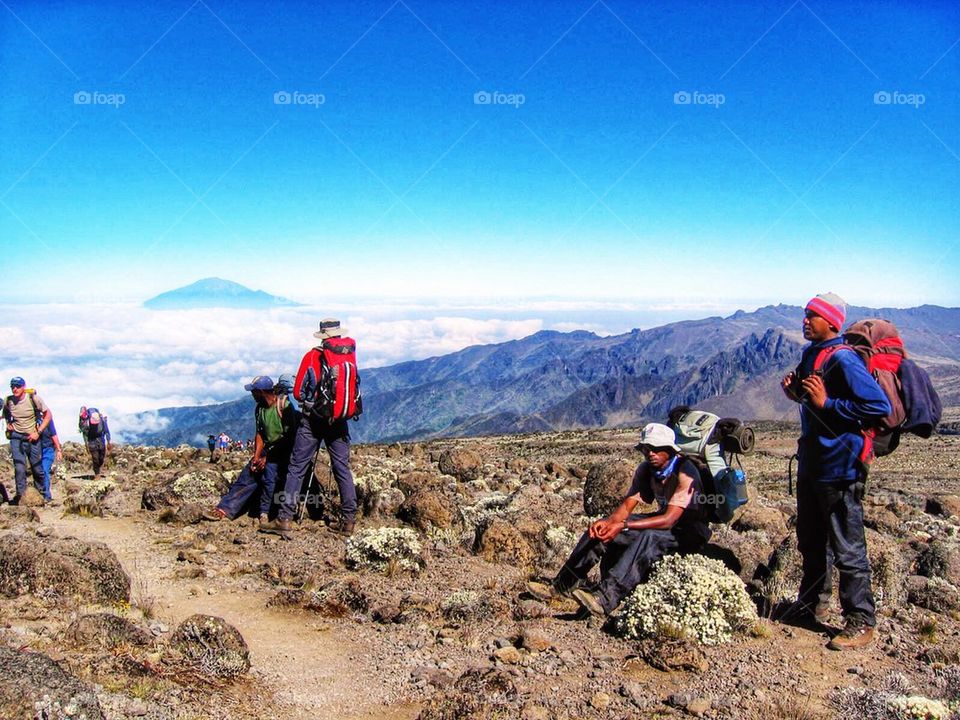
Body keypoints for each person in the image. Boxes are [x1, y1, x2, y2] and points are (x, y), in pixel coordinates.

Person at [780, 292, 891, 651]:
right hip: (814, 461)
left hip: (841, 466)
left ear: (832, 322)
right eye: (805, 314)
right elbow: (815, 406)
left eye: (812, 316)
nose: (805, 321)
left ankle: (861, 620)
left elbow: (877, 405)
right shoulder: (812, 353)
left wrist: (828, 403)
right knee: (811, 538)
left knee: (847, 544)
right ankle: (811, 603)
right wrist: (798, 396)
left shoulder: (844, 358)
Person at [526, 423, 711, 617]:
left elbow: (669, 520)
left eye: (656, 449)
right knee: (604, 529)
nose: (650, 453)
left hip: (688, 531)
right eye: (647, 449)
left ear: (670, 450)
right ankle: (562, 585)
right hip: (665, 523)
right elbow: (627, 505)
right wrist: (609, 523)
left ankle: (605, 598)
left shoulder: (686, 472)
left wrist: (623, 525)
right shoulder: (646, 470)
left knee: (650, 537)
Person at [261, 319, 358, 538]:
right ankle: (348, 521)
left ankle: (284, 518)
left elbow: (297, 392)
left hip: (313, 421)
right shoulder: (349, 355)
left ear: (322, 335)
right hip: (339, 420)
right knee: (342, 468)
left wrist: (310, 403)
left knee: (297, 467)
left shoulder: (312, 356)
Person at [202, 376, 298, 524]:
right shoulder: (260, 408)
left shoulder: (284, 406)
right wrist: (257, 456)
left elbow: (289, 437)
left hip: (285, 450)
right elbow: (260, 433)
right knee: (249, 473)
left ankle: (265, 512)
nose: (252, 395)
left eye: (253, 392)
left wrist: (267, 459)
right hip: (269, 449)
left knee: (269, 476)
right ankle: (224, 509)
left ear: (260, 391)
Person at [3, 377, 51, 503]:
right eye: (12, 386)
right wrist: (9, 423)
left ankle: (42, 495)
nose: (15, 388)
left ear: (23, 386)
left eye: (18, 386)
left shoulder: (33, 399)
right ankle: (21, 497)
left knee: (37, 468)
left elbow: (48, 415)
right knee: (19, 468)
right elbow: (6, 413)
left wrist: (38, 432)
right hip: (16, 437)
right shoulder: (9, 401)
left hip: (32, 437)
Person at [79, 406, 111, 479]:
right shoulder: (86, 424)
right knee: (95, 457)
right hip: (91, 439)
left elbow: (106, 430)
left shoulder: (102, 421)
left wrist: (108, 441)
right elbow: (85, 434)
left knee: (101, 457)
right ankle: (97, 473)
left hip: (101, 438)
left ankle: (98, 468)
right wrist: (87, 445)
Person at [39, 416, 63, 502]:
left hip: (48, 449)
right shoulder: (30, 418)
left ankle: (46, 495)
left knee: (44, 470)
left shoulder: (47, 418)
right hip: (36, 449)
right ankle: (39, 494)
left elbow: (53, 434)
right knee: (37, 471)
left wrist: (58, 450)